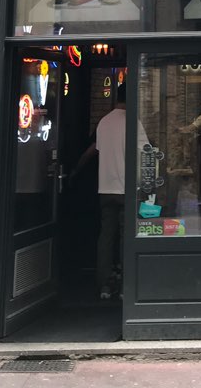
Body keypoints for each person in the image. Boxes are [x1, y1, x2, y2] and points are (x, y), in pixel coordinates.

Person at [73, 83, 149, 300]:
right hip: (126, 188)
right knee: (127, 236)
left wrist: (75, 171)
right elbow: (146, 152)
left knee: (106, 236)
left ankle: (104, 285)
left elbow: (94, 150)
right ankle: (126, 285)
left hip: (105, 189)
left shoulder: (104, 122)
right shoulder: (132, 122)